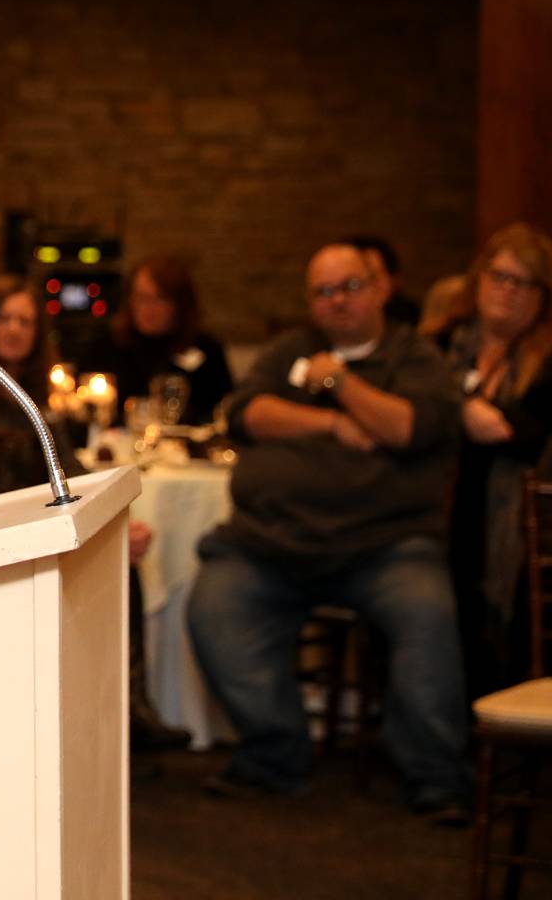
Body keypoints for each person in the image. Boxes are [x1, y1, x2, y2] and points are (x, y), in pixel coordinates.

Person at [187, 242, 469, 823]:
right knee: (215, 603)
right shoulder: (290, 350)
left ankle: (434, 775)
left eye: (350, 286)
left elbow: (409, 427)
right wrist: (334, 424)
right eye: (323, 291)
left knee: (428, 615)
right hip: (271, 544)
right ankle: (274, 755)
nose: (337, 301)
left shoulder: (415, 357)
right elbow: (245, 412)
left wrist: (339, 381)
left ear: (381, 288)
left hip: (386, 546)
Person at [0, 276, 182, 751]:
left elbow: (68, 468)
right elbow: (8, 486)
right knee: (116, 556)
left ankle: (125, 707)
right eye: (4, 318)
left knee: (122, 550)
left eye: (25, 321)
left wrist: (116, 510)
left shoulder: (29, 393)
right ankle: (123, 711)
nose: (15, 329)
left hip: (35, 527)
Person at [426, 223, 552, 696]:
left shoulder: (546, 360)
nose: (507, 291)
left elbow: (510, 430)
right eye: (499, 276)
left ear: (543, 295)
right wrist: (460, 405)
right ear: (478, 280)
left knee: (498, 630)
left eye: (523, 283)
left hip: (512, 527)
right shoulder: (439, 344)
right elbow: (416, 412)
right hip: (434, 511)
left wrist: (452, 406)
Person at [84, 255, 233, 426]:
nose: (148, 309)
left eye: (159, 299)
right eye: (141, 298)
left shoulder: (206, 350)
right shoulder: (107, 346)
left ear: (179, 304)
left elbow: (223, 411)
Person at [347, 234, 421, 328]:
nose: (363, 286)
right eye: (353, 282)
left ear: (393, 279)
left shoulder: (411, 326)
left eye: (372, 277)